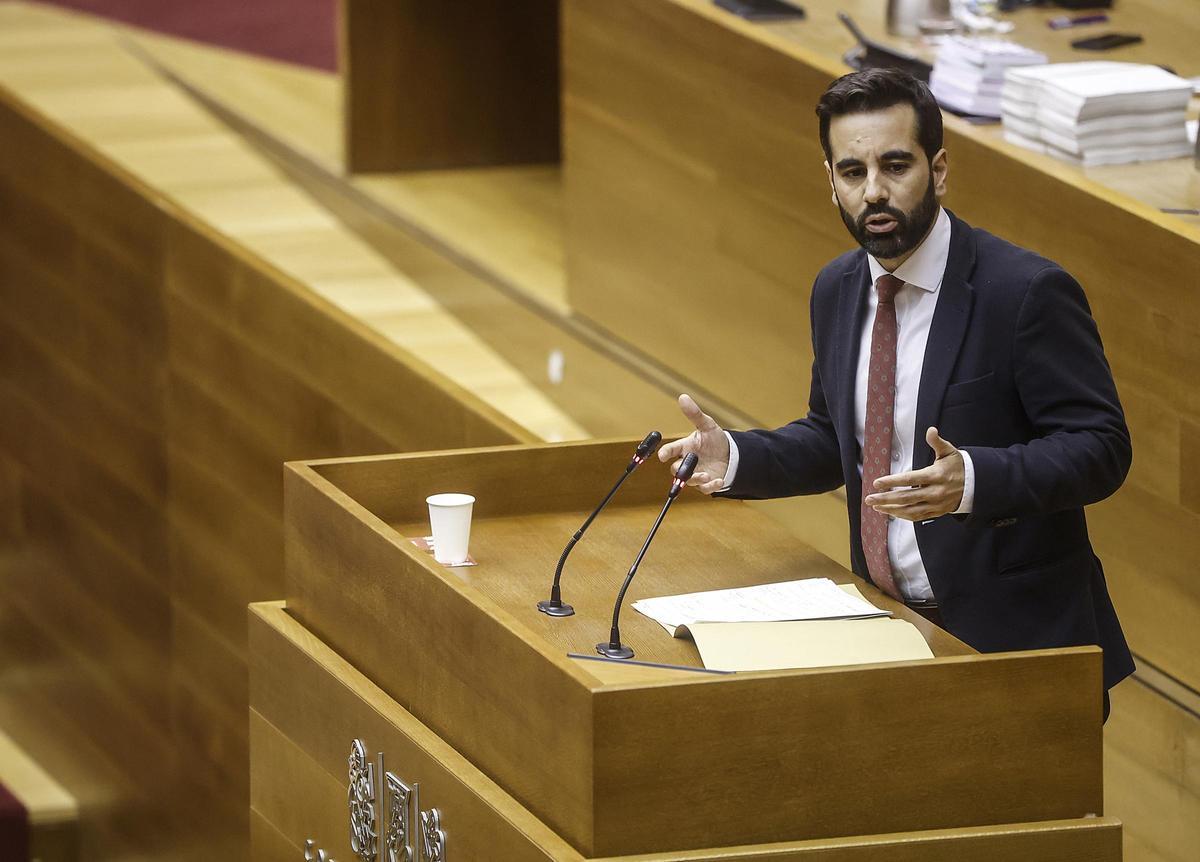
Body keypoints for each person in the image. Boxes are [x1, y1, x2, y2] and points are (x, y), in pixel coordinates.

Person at [658, 68, 1133, 718]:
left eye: (895, 165)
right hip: (889, 630)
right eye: (852, 172)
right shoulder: (837, 288)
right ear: (831, 181)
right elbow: (837, 439)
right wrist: (734, 458)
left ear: (938, 171)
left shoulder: (1022, 294)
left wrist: (973, 480)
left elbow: (1101, 448)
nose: (874, 191)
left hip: (1014, 645)